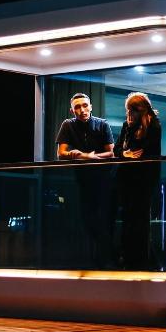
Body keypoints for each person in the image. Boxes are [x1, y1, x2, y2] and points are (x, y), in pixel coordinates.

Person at [56, 93, 115, 268]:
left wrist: (90, 157)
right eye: (77, 107)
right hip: (78, 181)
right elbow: (61, 153)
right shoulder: (68, 124)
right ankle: (90, 260)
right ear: (72, 110)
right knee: (85, 220)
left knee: (102, 220)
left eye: (84, 105)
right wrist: (83, 156)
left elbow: (111, 153)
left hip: (103, 180)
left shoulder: (102, 124)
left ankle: (107, 260)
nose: (82, 110)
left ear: (91, 106)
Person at [113, 92, 162, 269]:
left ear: (139, 110)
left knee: (140, 220)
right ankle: (128, 258)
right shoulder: (127, 125)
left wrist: (128, 153)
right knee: (128, 219)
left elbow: (145, 152)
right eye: (127, 111)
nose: (128, 114)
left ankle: (141, 260)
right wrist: (125, 154)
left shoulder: (153, 125)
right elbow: (117, 149)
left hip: (144, 180)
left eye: (131, 111)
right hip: (126, 179)